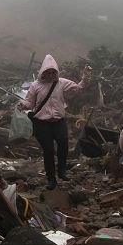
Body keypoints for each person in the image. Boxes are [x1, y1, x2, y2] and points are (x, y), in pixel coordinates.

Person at [17, 55, 92, 189]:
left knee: (63, 144)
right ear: (43, 72)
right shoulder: (35, 86)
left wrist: (85, 77)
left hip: (58, 121)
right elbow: (30, 102)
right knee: (48, 151)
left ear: (56, 72)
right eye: (48, 72)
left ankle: (62, 171)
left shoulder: (61, 83)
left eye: (53, 72)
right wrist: (23, 104)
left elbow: (78, 89)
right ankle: (51, 179)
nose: (51, 74)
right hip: (42, 124)